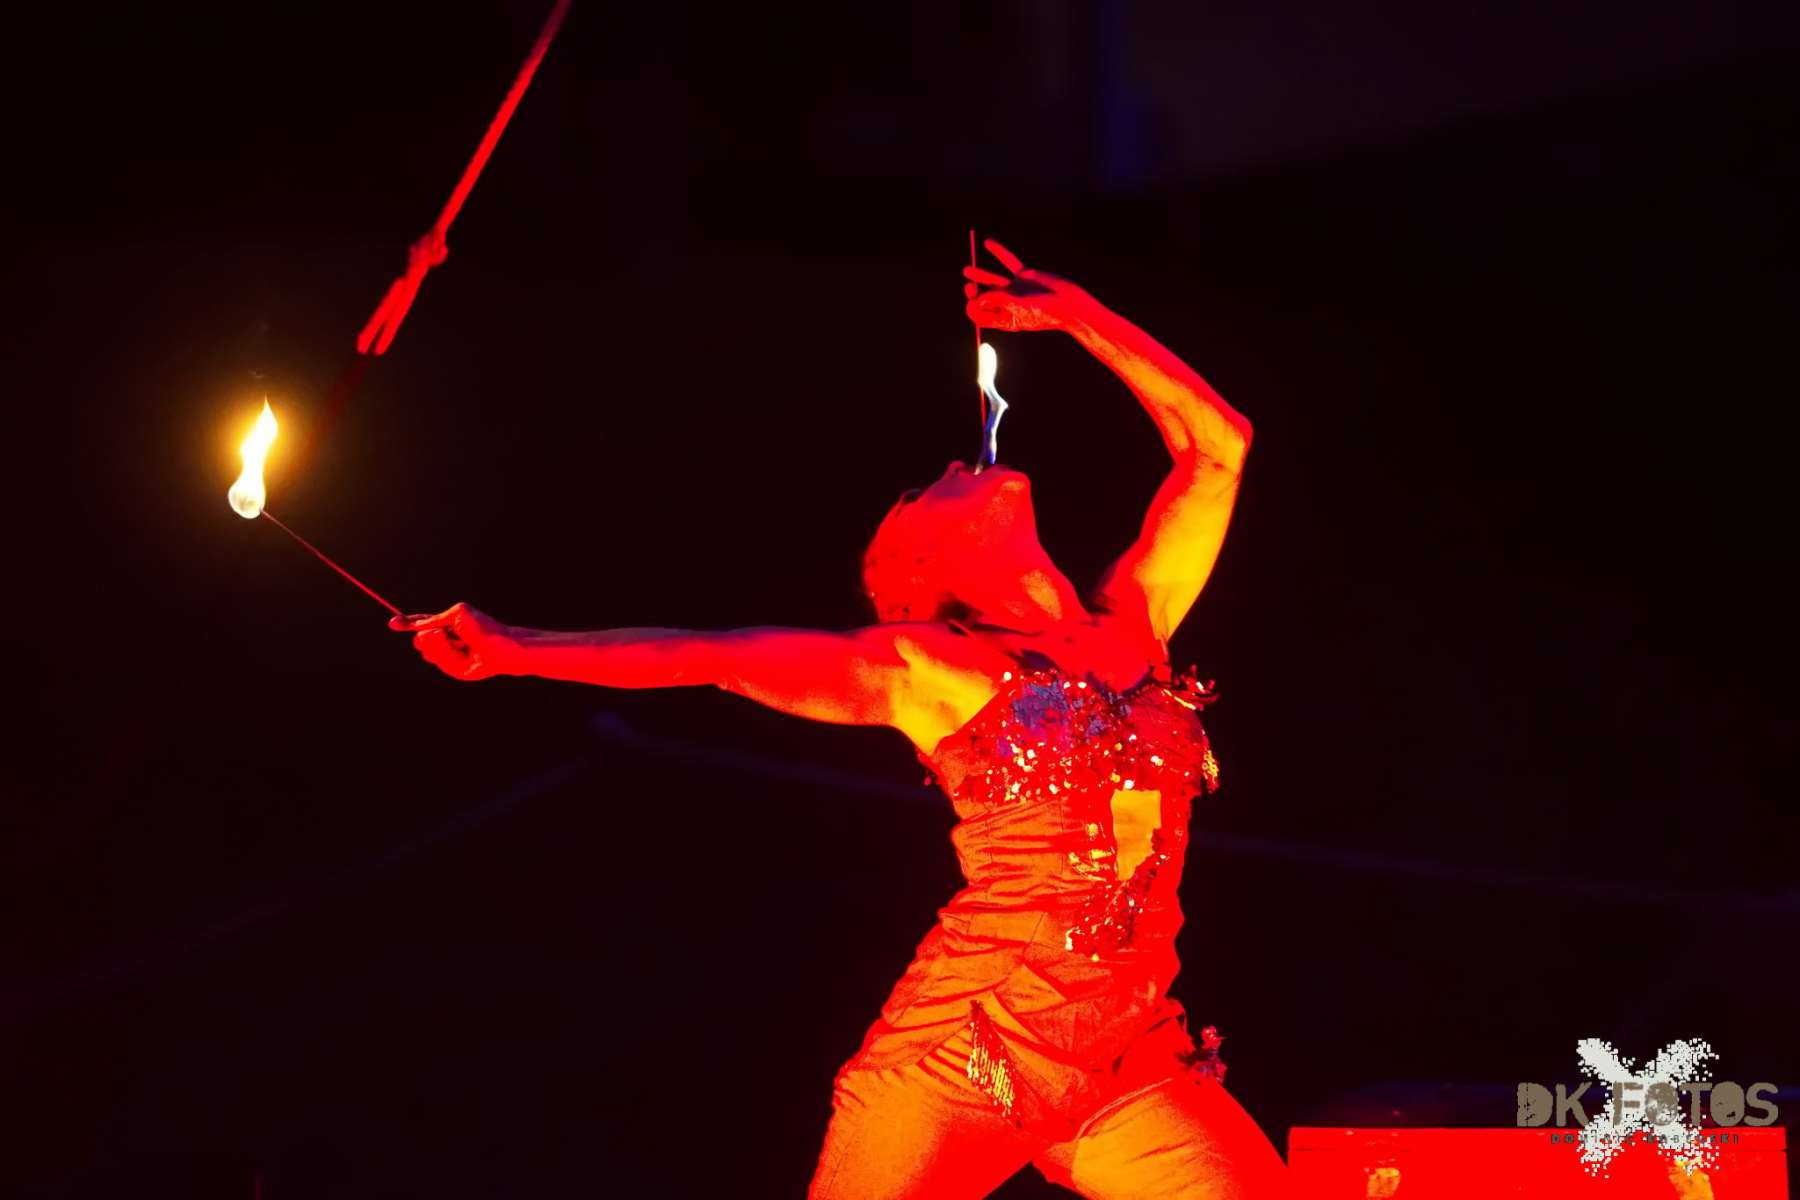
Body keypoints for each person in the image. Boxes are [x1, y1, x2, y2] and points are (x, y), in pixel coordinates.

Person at [394, 240, 1290, 1198]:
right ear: (915, 572)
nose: (949, 462)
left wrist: (1079, 315)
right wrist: (517, 645)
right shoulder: (929, 669)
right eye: (916, 494)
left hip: (1130, 1058)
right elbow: (710, 656)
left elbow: (1218, 446)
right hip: (968, 1052)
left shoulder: (1137, 621)